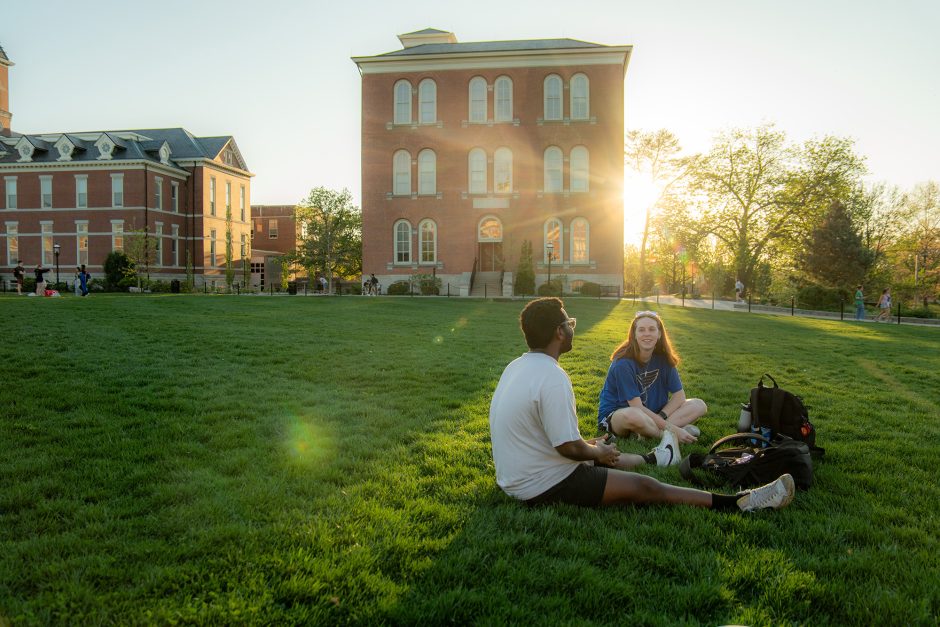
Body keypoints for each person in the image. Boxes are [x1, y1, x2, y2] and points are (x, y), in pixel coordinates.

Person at [488, 297, 795, 511]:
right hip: (539, 485)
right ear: (559, 332)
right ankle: (741, 502)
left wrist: (593, 447)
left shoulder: (517, 366)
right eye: (569, 322)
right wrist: (596, 451)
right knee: (645, 488)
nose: (572, 328)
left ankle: (656, 458)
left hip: (514, 476)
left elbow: (547, 436)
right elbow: (568, 448)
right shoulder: (552, 376)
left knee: (606, 455)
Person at [597, 310, 707, 453]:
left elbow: (679, 397)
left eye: (652, 329)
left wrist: (661, 418)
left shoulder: (664, 359)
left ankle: (646, 433)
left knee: (699, 405)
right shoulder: (622, 363)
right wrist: (672, 429)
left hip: (653, 413)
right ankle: (668, 435)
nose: (647, 333)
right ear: (634, 335)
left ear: (659, 334)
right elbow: (637, 407)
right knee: (634, 415)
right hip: (619, 416)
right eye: (641, 330)